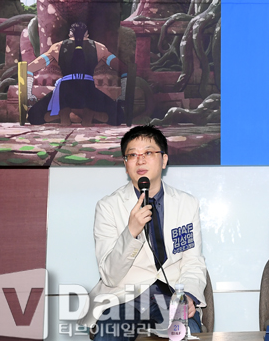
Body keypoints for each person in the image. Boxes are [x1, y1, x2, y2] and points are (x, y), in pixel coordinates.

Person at [78, 125, 208, 340]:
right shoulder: (108, 206)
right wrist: (131, 232)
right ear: (125, 164)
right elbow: (109, 275)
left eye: (148, 153)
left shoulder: (186, 204)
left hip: (170, 297)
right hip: (123, 297)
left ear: (164, 160)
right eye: (132, 155)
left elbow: (193, 262)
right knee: (109, 335)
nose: (140, 161)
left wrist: (187, 295)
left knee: (187, 335)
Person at [26, 21, 126, 126]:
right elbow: (123, 69)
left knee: (33, 116)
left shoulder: (57, 47)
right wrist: (123, 95)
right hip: (89, 91)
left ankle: (62, 114)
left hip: (65, 91)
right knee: (119, 116)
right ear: (87, 34)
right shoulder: (99, 47)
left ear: (69, 34)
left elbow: (29, 68)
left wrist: (29, 94)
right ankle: (92, 114)